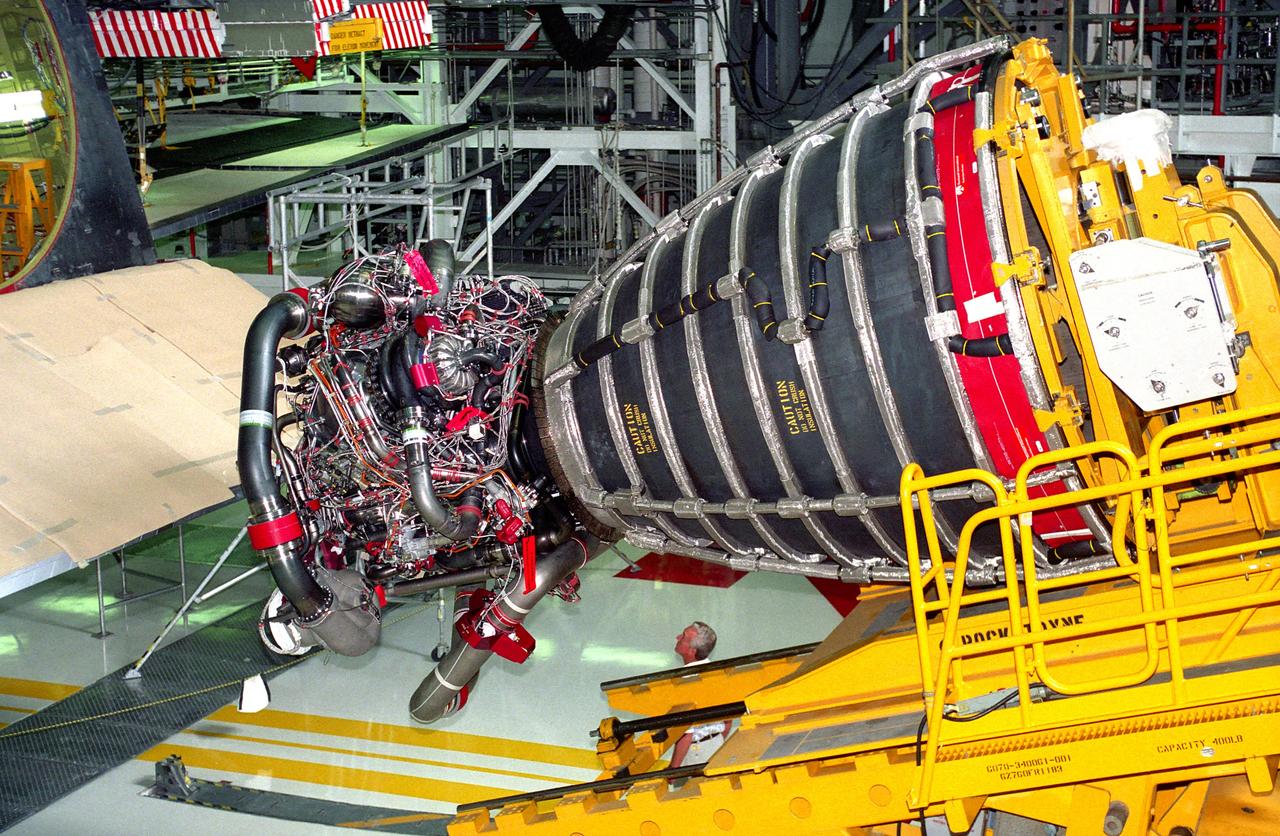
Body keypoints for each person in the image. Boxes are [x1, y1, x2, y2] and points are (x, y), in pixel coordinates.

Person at [669, 621, 730, 768]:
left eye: (683, 637)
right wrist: (713, 741)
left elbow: (686, 733)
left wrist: (673, 769)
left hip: (695, 753)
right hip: (717, 745)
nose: (677, 637)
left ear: (691, 651)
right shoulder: (718, 673)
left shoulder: (686, 683)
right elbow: (728, 720)